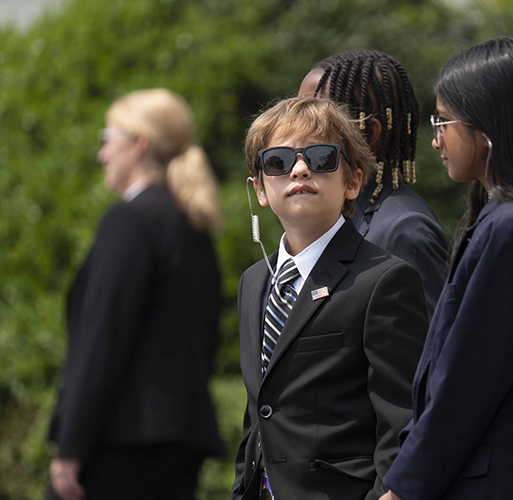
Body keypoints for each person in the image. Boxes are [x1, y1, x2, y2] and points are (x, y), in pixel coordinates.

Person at [381, 37, 513, 500]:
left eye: (443, 121)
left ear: (488, 125)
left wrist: (402, 490)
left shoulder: (510, 225)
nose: (435, 139)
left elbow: (466, 383)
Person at [230, 97, 428, 500]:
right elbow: (258, 413)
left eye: (321, 158)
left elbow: (402, 415)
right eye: (278, 162)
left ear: (352, 181)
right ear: (260, 189)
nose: (299, 169)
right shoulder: (253, 281)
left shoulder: (384, 279)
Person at [46, 88, 225, 500]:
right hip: (180, 444)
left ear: (138, 143)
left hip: (119, 446)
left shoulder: (129, 221)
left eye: (106, 139)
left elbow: (100, 338)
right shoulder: (194, 227)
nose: (101, 155)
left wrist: (71, 446)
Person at [298, 50, 448, 317]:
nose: (293, 128)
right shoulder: (328, 216)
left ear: (368, 134)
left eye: (312, 119)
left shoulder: (403, 230)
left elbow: (425, 351)